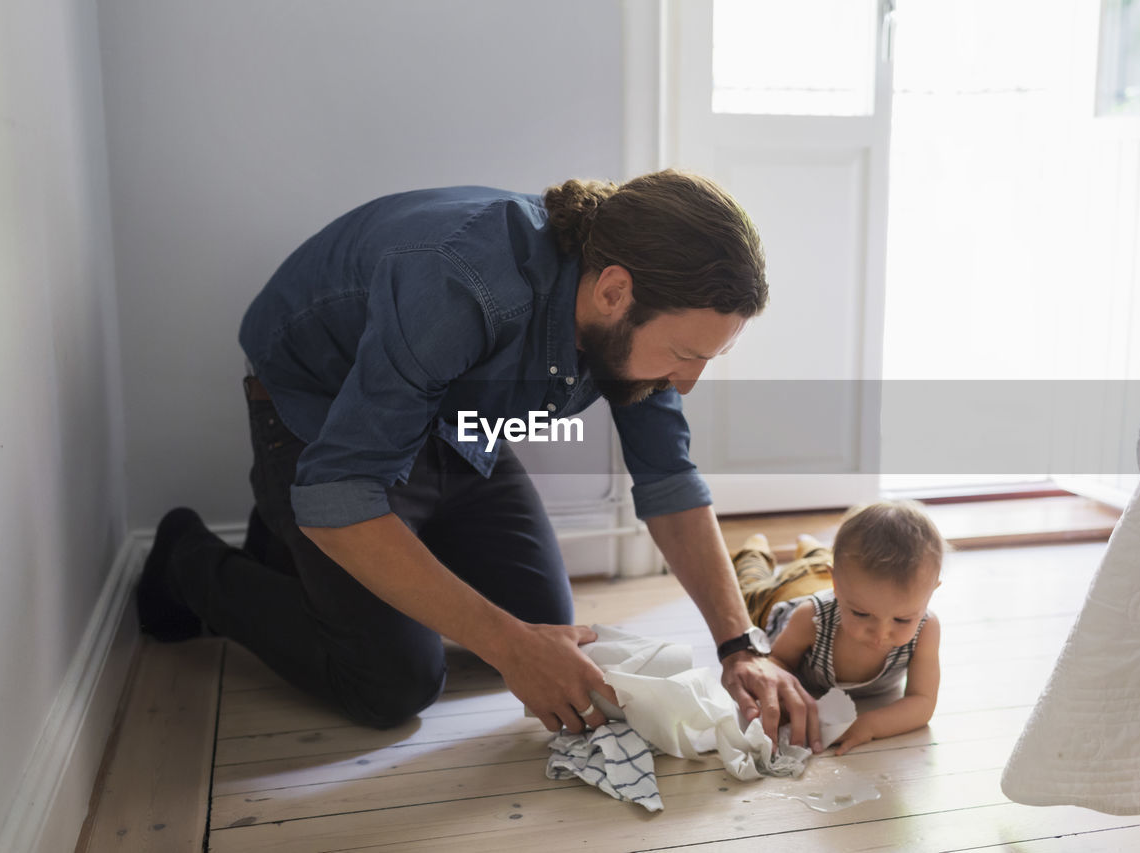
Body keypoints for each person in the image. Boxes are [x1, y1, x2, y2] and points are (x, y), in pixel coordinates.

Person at [136, 169, 824, 751]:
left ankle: (286, 551)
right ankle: (187, 560)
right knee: (395, 681)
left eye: (708, 358)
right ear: (614, 291)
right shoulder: (460, 284)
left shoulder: (634, 320)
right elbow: (339, 494)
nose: (689, 381)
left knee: (548, 624)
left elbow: (669, 478)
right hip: (322, 412)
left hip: (457, 421)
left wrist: (742, 648)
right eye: (685, 354)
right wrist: (510, 645)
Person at [732, 500, 945, 754]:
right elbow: (777, 662)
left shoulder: (926, 629)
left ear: (930, 594)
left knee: (822, 564)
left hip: (830, 578)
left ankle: (811, 548)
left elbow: (922, 702)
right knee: (750, 589)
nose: (880, 634)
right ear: (837, 585)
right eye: (861, 614)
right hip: (784, 594)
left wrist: (869, 725)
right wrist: (781, 702)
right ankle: (755, 549)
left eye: (902, 620)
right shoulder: (810, 619)